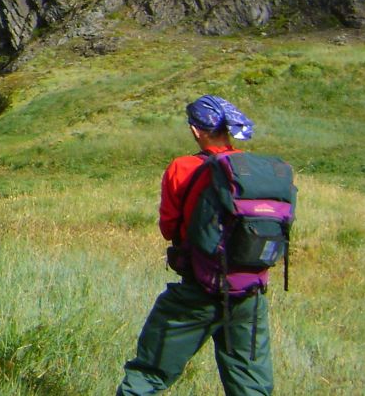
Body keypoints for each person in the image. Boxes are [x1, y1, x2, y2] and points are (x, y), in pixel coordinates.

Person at [116, 94, 273, 396]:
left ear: (195, 130)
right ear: (228, 130)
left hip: (198, 290)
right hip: (250, 293)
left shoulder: (182, 168)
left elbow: (168, 228)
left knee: (149, 373)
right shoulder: (254, 171)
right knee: (251, 387)